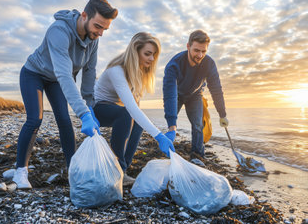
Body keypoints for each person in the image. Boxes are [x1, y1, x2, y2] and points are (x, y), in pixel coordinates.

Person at [12, 0, 118, 189]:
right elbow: (64, 74)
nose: (101, 33)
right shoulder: (58, 31)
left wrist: (90, 106)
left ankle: (73, 170)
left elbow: (89, 72)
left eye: (105, 29)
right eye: (98, 26)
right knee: (35, 118)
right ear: (84, 15)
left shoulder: (93, 39)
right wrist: (83, 113)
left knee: (64, 119)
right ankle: (21, 171)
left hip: (55, 80)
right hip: (34, 73)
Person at [93, 32, 175, 185]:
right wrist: (158, 136)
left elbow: (136, 108)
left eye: (154, 55)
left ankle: (123, 168)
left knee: (137, 121)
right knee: (126, 114)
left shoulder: (138, 73)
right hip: (98, 108)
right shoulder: (117, 70)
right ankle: (118, 171)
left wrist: (151, 129)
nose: (152, 58)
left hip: (118, 110)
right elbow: (130, 109)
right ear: (135, 52)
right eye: (147, 54)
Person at [163, 30, 229, 158]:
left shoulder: (209, 64)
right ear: (188, 46)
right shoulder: (174, 64)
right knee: (171, 124)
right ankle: (167, 147)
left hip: (195, 94)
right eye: (196, 50)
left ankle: (197, 155)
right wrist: (172, 126)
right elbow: (169, 94)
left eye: (203, 51)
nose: (200, 55)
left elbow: (216, 89)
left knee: (198, 125)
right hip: (176, 94)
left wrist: (222, 114)